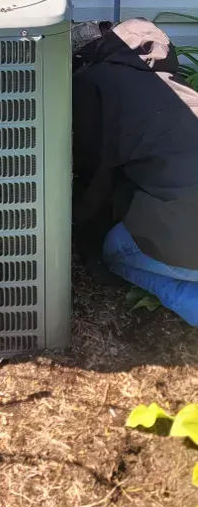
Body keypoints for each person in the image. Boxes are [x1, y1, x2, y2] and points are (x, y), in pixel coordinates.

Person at [72, 18, 198, 325]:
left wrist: (81, 230)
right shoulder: (180, 91)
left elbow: (92, 173)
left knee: (113, 252)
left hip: (188, 239)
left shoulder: (95, 83)